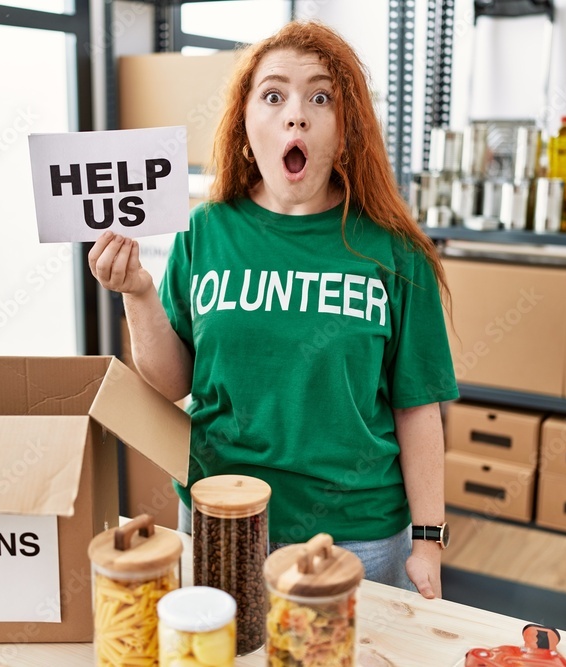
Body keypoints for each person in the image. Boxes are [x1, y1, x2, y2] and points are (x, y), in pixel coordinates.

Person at [88, 21, 458, 598]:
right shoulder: (204, 233)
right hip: (221, 516)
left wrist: (428, 541)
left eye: (320, 96)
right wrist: (137, 292)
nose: (296, 115)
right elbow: (171, 384)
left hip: (353, 536)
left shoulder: (393, 251)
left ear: (346, 132)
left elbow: (417, 408)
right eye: (274, 94)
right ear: (245, 129)